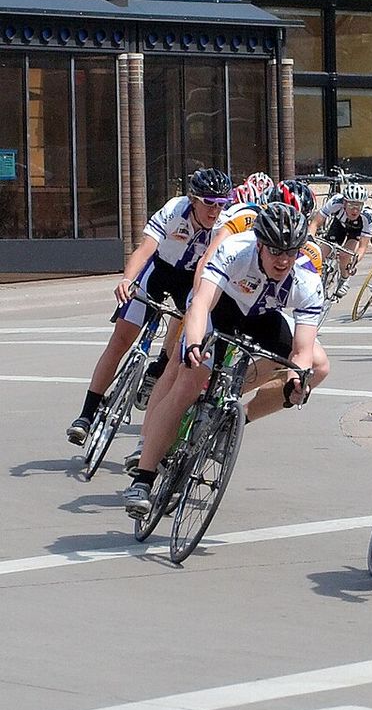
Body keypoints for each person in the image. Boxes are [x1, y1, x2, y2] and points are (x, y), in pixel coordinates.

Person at [123, 204, 327, 517]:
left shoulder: (307, 281)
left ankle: (230, 412)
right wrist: (193, 344)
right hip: (220, 309)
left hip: (263, 318)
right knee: (188, 383)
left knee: (311, 364)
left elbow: (302, 349)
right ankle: (144, 478)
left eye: (291, 251)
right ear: (259, 243)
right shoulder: (235, 251)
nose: (283, 259)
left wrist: (297, 379)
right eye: (274, 251)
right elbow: (202, 303)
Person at [66, 168, 233, 446]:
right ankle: (86, 414)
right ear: (193, 200)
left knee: (191, 327)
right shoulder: (173, 210)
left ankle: (160, 367)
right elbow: (144, 251)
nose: (214, 211)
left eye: (220, 204)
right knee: (120, 340)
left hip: (192, 280)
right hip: (158, 271)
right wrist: (128, 280)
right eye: (208, 203)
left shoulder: (223, 225)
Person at [309, 182, 372, 298]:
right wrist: (310, 243)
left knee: (345, 256)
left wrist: (354, 262)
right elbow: (315, 223)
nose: (354, 210)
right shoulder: (336, 202)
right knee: (320, 253)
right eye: (351, 206)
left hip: (355, 233)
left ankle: (344, 279)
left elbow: (363, 247)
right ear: (344, 203)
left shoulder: (368, 216)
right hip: (338, 226)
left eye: (358, 206)